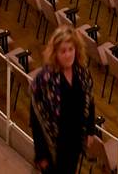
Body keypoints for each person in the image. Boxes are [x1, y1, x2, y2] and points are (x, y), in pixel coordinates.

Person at [29, 24, 99, 174]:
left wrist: (90, 130)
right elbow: (36, 118)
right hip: (53, 146)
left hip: (74, 142)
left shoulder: (82, 73)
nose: (68, 55)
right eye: (63, 51)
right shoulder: (45, 79)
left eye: (71, 49)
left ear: (76, 49)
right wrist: (41, 154)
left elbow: (90, 102)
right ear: (55, 53)